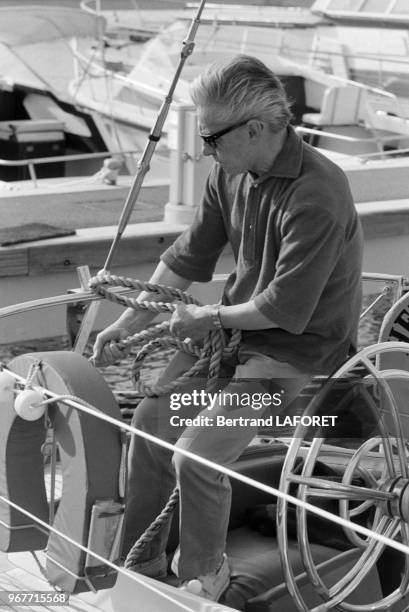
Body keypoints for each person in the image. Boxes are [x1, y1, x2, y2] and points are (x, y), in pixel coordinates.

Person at [92, 54, 363, 602]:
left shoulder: (319, 195)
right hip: (236, 342)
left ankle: (202, 579)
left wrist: (206, 317)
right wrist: (127, 319)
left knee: (194, 455)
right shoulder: (230, 171)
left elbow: (282, 309)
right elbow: (188, 258)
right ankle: (140, 562)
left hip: (294, 362)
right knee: (148, 423)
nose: (203, 150)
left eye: (210, 137)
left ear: (257, 129)